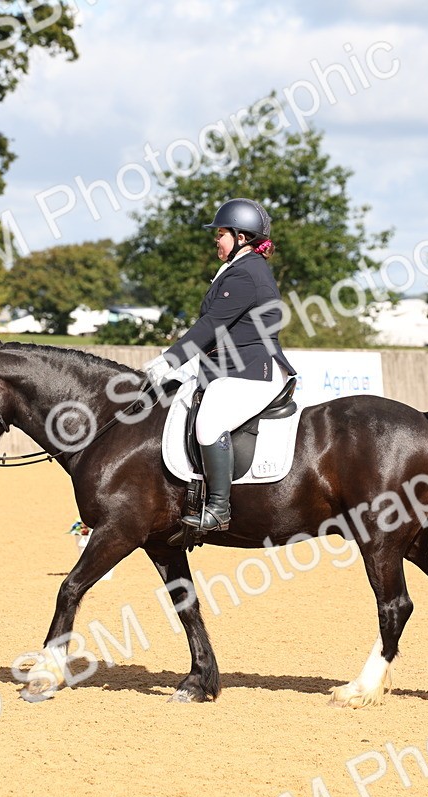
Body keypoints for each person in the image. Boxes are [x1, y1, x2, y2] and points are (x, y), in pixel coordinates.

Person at [143, 198, 296, 541]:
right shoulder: (239, 268)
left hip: (252, 372)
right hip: (228, 368)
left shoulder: (246, 272)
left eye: (222, 233)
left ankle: (219, 507)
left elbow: (211, 324)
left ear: (242, 237)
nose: (217, 239)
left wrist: (169, 360)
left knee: (210, 422)